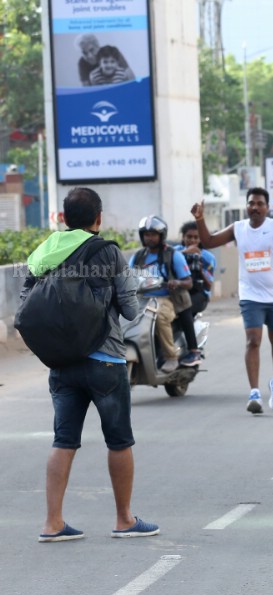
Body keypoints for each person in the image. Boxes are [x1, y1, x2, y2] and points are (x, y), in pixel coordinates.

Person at [22, 188, 159, 542]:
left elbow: (26, 303)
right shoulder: (108, 251)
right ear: (98, 219)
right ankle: (124, 519)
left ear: (64, 218)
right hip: (106, 361)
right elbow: (131, 309)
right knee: (119, 441)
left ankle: (53, 523)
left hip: (61, 363)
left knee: (63, 440)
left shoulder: (44, 250)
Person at [191, 189, 273, 413]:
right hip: (250, 296)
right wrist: (199, 219)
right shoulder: (238, 229)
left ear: (267, 207)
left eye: (259, 203)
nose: (255, 207)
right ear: (246, 206)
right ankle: (254, 392)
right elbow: (208, 241)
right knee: (253, 341)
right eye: (251, 203)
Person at [130, 216, 199, 371]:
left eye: (153, 234)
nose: (150, 238)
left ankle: (171, 357)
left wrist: (177, 282)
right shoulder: (138, 256)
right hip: (141, 300)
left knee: (159, 315)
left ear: (161, 236)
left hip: (165, 299)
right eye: (146, 234)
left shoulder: (173, 255)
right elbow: (127, 277)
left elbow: (189, 282)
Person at [177, 221, 216, 316]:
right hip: (178, 292)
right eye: (189, 237)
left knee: (185, 309)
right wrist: (184, 252)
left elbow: (208, 286)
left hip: (199, 293)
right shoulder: (176, 252)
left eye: (196, 237)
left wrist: (201, 271)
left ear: (200, 239)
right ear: (183, 237)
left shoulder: (208, 257)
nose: (192, 240)